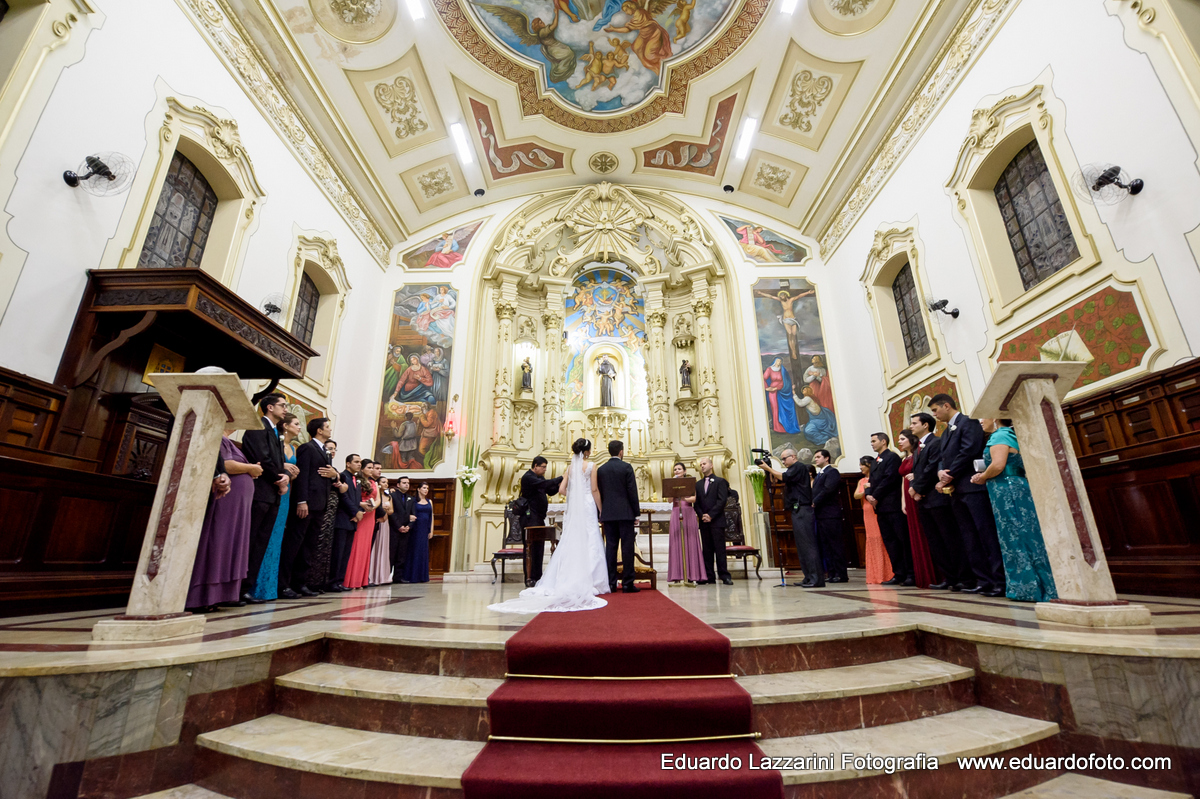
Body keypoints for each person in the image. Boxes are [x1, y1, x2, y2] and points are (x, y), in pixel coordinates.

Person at [491, 438, 609, 613]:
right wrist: (601, 509)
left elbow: (561, 490)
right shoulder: (592, 466)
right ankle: (593, 579)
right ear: (587, 451)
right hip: (588, 505)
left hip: (575, 507)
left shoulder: (570, 468)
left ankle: (566, 577)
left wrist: (572, 489)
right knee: (591, 537)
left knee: (573, 539)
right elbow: (594, 490)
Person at [972, 420, 1058, 602]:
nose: (980, 421)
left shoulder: (1000, 436)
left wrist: (982, 476)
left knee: (1017, 534)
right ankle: (1031, 585)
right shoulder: (1006, 435)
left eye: (984, 416)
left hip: (1007, 489)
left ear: (996, 418)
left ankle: (1030, 588)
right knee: (1019, 533)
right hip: (1009, 487)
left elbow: (997, 465)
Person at [931, 393, 1005, 597]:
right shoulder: (945, 433)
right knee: (969, 537)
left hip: (973, 487)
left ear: (946, 406)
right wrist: (940, 471)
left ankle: (999, 580)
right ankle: (983, 580)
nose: (935, 415)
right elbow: (942, 458)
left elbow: (969, 450)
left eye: (935, 410)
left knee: (985, 534)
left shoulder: (968, 422)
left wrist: (949, 475)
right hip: (957, 491)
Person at [186, 431, 260, 611]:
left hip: (237, 504)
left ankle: (220, 595)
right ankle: (203, 596)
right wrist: (250, 468)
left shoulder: (230, 442)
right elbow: (225, 465)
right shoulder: (218, 436)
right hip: (226, 499)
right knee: (217, 542)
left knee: (230, 545)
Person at [240, 394, 293, 603]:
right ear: (270, 407)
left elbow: (278, 460)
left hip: (272, 494)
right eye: (282, 405)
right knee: (251, 540)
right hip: (260, 491)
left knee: (261, 542)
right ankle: (239, 587)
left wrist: (284, 478)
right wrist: (280, 478)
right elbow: (262, 458)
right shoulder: (257, 427)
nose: (285, 408)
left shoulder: (275, 431)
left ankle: (248, 587)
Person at [280, 417, 341, 597]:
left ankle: (301, 582)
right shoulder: (307, 448)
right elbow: (303, 476)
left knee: (309, 545)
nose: (330, 429)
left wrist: (333, 475)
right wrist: (301, 501)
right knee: (294, 544)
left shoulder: (326, 452)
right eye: (327, 427)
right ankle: (284, 584)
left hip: (320, 504)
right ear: (319, 431)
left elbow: (328, 476)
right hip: (307, 503)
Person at [908, 412, 966, 591]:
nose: (911, 426)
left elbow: (931, 468)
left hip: (937, 498)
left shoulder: (935, 442)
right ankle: (948, 577)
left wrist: (917, 488)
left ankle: (962, 578)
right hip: (924, 501)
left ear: (926, 425)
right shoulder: (919, 446)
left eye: (914, 423)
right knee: (935, 541)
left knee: (949, 539)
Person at [249, 413, 300, 601]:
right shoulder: (275, 443)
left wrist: (290, 474)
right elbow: (268, 462)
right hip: (272, 487)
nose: (300, 427)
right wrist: (283, 470)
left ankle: (269, 586)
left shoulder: (293, 447)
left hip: (285, 493)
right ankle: (256, 585)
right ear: (285, 426)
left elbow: (292, 473)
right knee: (264, 537)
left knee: (277, 538)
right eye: (296, 424)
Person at [759, 449, 821, 587]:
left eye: (784, 459)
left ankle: (816, 578)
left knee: (808, 545)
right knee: (801, 546)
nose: (783, 462)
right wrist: (769, 471)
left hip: (802, 509)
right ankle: (808, 576)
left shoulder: (798, 467)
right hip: (796, 509)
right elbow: (779, 479)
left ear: (793, 456)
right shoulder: (793, 469)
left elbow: (784, 477)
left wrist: (768, 467)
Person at [865, 432, 913, 587]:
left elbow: (890, 479)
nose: (871, 443)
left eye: (874, 441)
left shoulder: (892, 457)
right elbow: (870, 482)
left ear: (883, 441)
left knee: (902, 540)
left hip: (892, 505)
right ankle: (898, 573)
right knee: (890, 542)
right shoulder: (875, 461)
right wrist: (869, 495)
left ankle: (910, 573)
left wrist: (876, 495)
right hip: (880, 507)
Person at [595, 440, 641, 592]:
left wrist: (600, 512)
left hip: (608, 513)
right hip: (625, 513)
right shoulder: (626, 467)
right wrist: (636, 513)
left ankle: (611, 583)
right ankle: (628, 583)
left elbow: (598, 492)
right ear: (621, 452)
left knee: (611, 548)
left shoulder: (601, 470)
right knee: (627, 548)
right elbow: (632, 491)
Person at [897, 429, 937, 589]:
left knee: (923, 532)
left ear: (911, 440)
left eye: (902, 439)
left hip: (917, 492)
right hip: (907, 495)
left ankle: (931, 573)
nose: (899, 442)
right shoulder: (904, 458)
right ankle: (919, 573)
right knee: (912, 534)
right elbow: (902, 481)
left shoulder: (917, 455)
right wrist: (903, 501)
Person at [520, 456, 564, 586]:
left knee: (538, 547)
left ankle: (538, 577)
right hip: (529, 518)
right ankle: (530, 577)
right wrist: (562, 477)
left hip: (538, 517)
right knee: (531, 548)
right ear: (535, 466)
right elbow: (544, 485)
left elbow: (549, 491)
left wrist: (560, 485)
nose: (545, 470)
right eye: (543, 467)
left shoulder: (539, 478)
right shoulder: (528, 477)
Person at [309, 439, 347, 590]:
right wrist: (335, 477)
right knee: (316, 544)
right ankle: (312, 581)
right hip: (320, 507)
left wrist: (338, 479)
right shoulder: (322, 467)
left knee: (327, 547)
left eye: (334, 449)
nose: (332, 451)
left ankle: (323, 581)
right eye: (329, 448)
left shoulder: (335, 470)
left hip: (331, 511)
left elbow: (343, 486)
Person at [694, 456, 732, 585]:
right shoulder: (698, 484)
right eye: (701, 464)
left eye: (704, 463)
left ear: (711, 465)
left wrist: (710, 515)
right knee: (707, 550)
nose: (702, 466)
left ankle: (724, 575)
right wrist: (702, 515)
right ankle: (709, 576)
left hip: (716, 521)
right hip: (704, 522)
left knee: (720, 549)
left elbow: (722, 501)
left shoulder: (720, 481)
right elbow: (697, 503)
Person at [667, 462, 706, 585]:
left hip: (688, 512)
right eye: (675, 469)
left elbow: (694, 499)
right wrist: (672, 487)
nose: (677, 471)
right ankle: (677, 575)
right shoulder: (671, 483)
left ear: (684, 471)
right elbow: (668, 500)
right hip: (676, 511)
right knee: (676, 541)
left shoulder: (690, 483)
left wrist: (684, 498)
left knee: (690, 541)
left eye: (679, 469)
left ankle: (692, 574)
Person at [855, 455, 892, 585]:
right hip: (867, 511)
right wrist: (865, 491)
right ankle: (876, 573)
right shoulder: (862, 481)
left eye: (862, 465)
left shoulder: (877, 478)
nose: (860, 467)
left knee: (882, 537)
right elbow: (856, 495)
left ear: (869, 465)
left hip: (876, 508)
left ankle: (888, 572)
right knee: (872, 538)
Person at [811, 449, 846, 583]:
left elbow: (828, 490)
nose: (816, 459)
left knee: (835, 544)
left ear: (827, 458)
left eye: (818, 457)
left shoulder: (832, 472)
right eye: (815, 457)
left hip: (830, 514)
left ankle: (841, 573)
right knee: (826, 545)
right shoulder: (820, 474)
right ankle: (831, 573)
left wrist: (815, 502)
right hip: (821, 515)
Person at [330, 454, 364, 591]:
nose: (359, 464)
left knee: (345, 553)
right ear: (348, 464)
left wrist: (358, 511)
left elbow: (356, 498)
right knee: (338, 553)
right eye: (356, 462)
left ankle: (340, 580)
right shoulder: (343, 476)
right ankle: (333, 581)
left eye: (360, 462)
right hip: (343, 518)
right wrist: (355, 512)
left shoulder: (356, 479)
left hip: (352, 520)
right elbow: (343, 497)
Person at [344, 460, 380, 589]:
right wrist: (361, 506)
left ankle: (361, 579)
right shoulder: (357, 480)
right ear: (363, 469)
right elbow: (354, 497)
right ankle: (351, 579)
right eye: (369, 467)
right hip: (361, 514)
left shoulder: (374, 482)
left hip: (370, 515)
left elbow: (378, 499)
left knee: (366, 546)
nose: (372, 470)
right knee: (356, 545)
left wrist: (373, 506)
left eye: (372, 468)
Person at [403, 482, 435, 584]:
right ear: (418, 489)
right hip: (415, 529)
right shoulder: (413, 500)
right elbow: (408, 513)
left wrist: (431, 530)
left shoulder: (429, 501)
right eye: (424, 488)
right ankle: (412, 575)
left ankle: (422, 576)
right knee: (414, 551)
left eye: (427, 488)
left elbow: (432, 516)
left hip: (425, 529)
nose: (426, 490)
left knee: (423, 552)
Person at [368, 471, 394, 586]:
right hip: (377, 521)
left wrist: (387, 511)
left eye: (387, 482)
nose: (386, 484)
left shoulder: (389, 496)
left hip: (385, 523)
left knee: (383, 547)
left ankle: (382, 576)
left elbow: (392, 510)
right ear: (378, 484)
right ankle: (371, 575)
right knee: (375, 546)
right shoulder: (375, 495)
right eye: (383, 482)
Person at [389, 476, 415, 581]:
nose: (406, 485)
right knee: (391, 553)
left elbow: (413, 515)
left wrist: (409, 526)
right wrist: (399, 526)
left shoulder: (411, 499)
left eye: (408, 483)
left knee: (402, 554)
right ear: (398, 485)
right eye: (404, 483)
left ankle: (398, 576)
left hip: (406, 530)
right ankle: (388, 575)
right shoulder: (392, 496)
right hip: (394, 529)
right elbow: (392, 513)